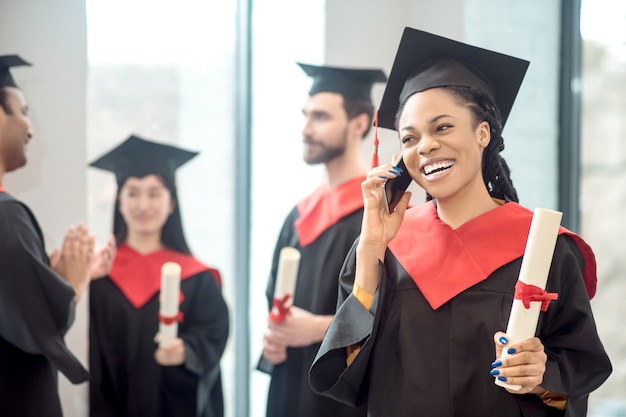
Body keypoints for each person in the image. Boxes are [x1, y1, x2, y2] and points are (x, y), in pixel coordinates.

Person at [309, 27, 612, 417]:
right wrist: (371, 249)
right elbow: (348, 371)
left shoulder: (544, 247)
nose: (426, 146)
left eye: (443, 127)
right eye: (409, 138)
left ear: (483, 132)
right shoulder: (384, 248)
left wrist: (540, 374)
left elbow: (577, 368)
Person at [257, 63, 386, 417]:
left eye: (321, 117)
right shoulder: (299, 215)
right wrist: (275, 338)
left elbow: (392, 315)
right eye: (305, 115)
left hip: (342, 394)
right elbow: (276, 300)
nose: (306, 129)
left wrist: (317, 328)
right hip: (289, 385)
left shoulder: (378, 215)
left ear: (359, 123)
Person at [88, 134, 230, 417]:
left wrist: (187, 351)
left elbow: (214, 335)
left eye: (154, 193)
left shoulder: (198, 278)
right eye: (132, 192)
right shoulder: (99, 277)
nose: (143, 205)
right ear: (119, 201)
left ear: (171, 203)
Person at [0, 54, 97, 417]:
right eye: (22, 110)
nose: (31, 128)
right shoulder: (6, 216)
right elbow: (40, 328)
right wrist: (71, 284)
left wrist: (44, 280)